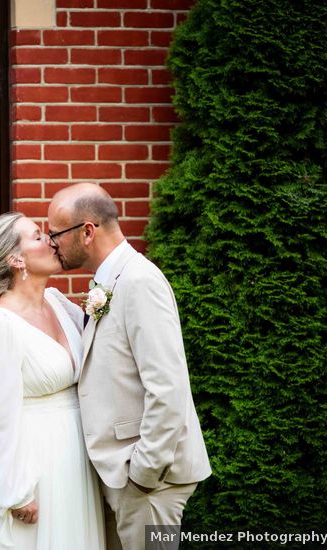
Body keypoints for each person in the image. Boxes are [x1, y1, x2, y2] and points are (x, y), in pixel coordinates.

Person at [47, 183, 211, 550]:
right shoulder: (107, 281)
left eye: (56, 233)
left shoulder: (139, 281)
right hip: (120, 475)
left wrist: (143, 473)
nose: (51, 242)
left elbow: (168, 387)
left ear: (87, 231)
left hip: (148, 482)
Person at [0, 212, 105, 549]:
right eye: (37, 236)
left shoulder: (56, 302)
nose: (50, 240)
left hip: (73, 458)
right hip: (36, 464)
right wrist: (15, 492)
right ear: (16, 259)